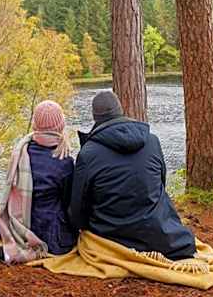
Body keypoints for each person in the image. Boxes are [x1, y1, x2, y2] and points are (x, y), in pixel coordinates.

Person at [68, 90, 196, 260]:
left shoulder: (88, 153)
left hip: (111, 235)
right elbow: (161, 184)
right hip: (159, 233)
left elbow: (78, 208)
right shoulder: (152, 141)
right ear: (120, 110)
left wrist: (79, 228)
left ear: (95, 117)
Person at [0, 100, 77, 264]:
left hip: (15, 224)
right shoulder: (64, 160)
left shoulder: (20, 150)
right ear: (61, 126)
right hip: (49, 233)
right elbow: (68, 201)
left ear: (35, 124)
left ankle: (15, 242)